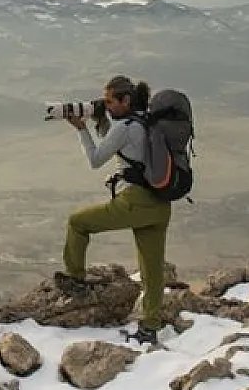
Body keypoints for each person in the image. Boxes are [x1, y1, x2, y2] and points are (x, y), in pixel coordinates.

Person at [59, 74, 171, 345]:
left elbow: (97, 160)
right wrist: (101, 121)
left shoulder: (124, 126)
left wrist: (81, 129)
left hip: (135, 201)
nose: (106, 105)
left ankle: (75, 280)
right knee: (152, 269)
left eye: (111, 101)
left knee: (77, 223)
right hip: (160, 203)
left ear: (126, 100)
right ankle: (150, 326)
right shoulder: (146, 119)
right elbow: (123, 147)